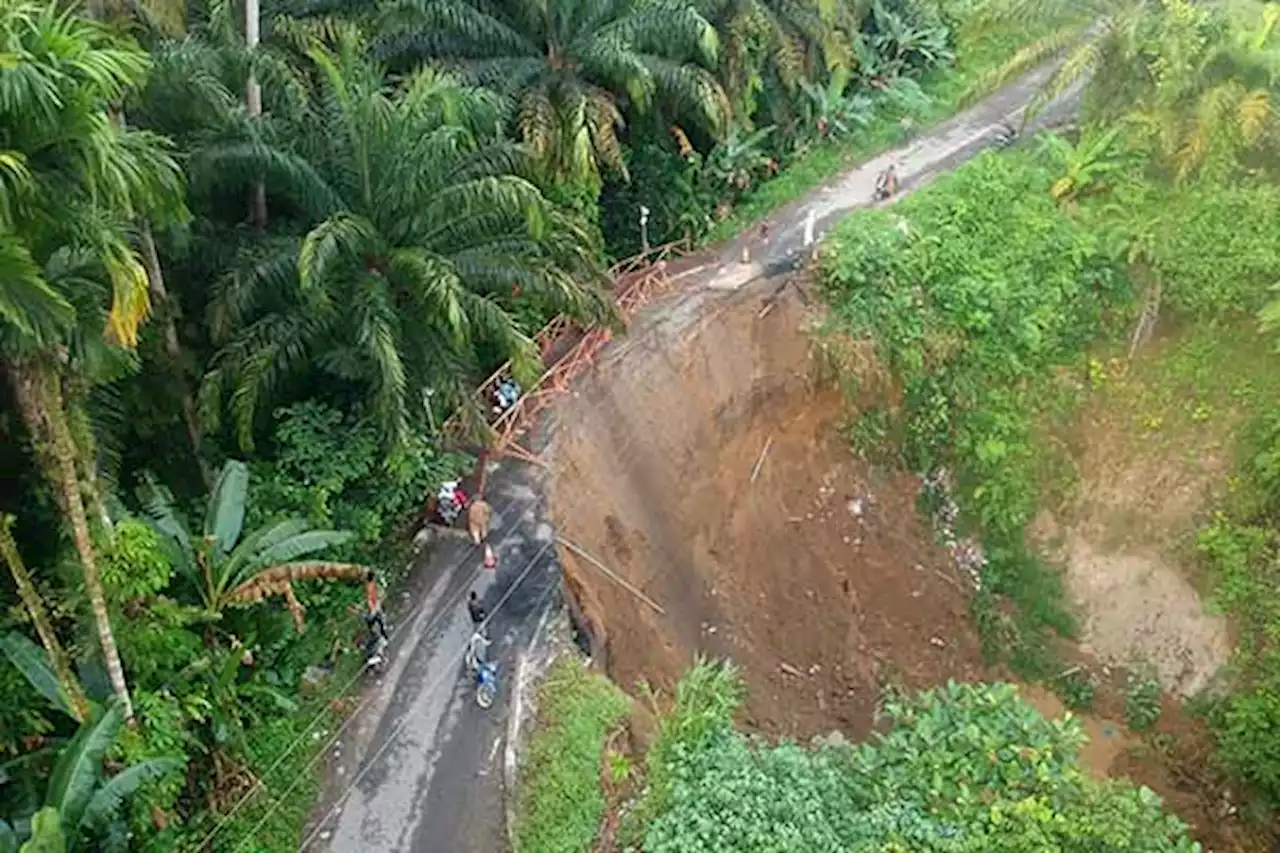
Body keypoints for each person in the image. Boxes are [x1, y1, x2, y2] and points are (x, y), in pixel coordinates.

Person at [364, 570, 388, 642]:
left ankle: (379, 633)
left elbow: (374, 595)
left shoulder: (371, 584)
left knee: (378, 619)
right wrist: (373, 607)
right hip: (374, 606)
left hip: (375, 604)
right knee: (377, 618)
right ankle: (379, 634)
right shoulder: (369, 586)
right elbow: (369, 598)